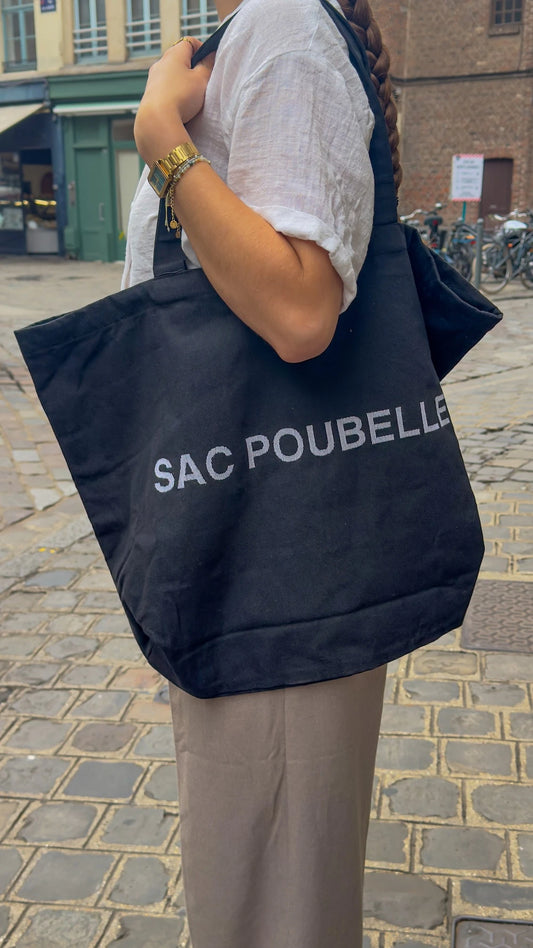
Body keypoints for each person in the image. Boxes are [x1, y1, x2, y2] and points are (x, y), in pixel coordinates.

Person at [126, 0, 402, 945]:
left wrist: (161, 138)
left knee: (266, 905)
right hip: (252, 535)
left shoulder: (280, 28)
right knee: (268, 888)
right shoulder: (256, 34)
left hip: (270, 552)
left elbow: (298, 308)